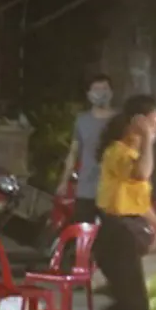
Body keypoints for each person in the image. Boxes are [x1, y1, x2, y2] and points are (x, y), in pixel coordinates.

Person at [44, 95, 156, 310]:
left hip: (126, 236)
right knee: (136, 309)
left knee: (130, 307)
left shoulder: (131, 154)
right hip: (114, 235)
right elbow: (143, 173)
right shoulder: (116, 153)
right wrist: (145, 137)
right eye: (153, 124)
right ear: (137, 122)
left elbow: (141, 206)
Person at [58, 74, 118, 224]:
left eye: (104, 88)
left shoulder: (119, 120)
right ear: (88, 94)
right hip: (86, 189)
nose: (101, 93)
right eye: (96, 89)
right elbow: (73, 152)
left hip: (114, 190)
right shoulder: (82, 120)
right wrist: (64, 181)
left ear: (112, 92)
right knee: (84, 232)